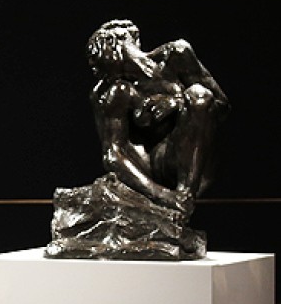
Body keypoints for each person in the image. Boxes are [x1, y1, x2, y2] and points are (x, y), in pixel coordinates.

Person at [86, 19, 229, 216]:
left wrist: (176, 102)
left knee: (199, 94)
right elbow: (113, 154)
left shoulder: (175, 56)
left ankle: (185, 196)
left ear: (114, 44)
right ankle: (178, 201)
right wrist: (163, 195)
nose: (93, 68)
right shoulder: (116, 92)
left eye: (94, 55)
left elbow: (222, 107)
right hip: (155, 168)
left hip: (193, 162)